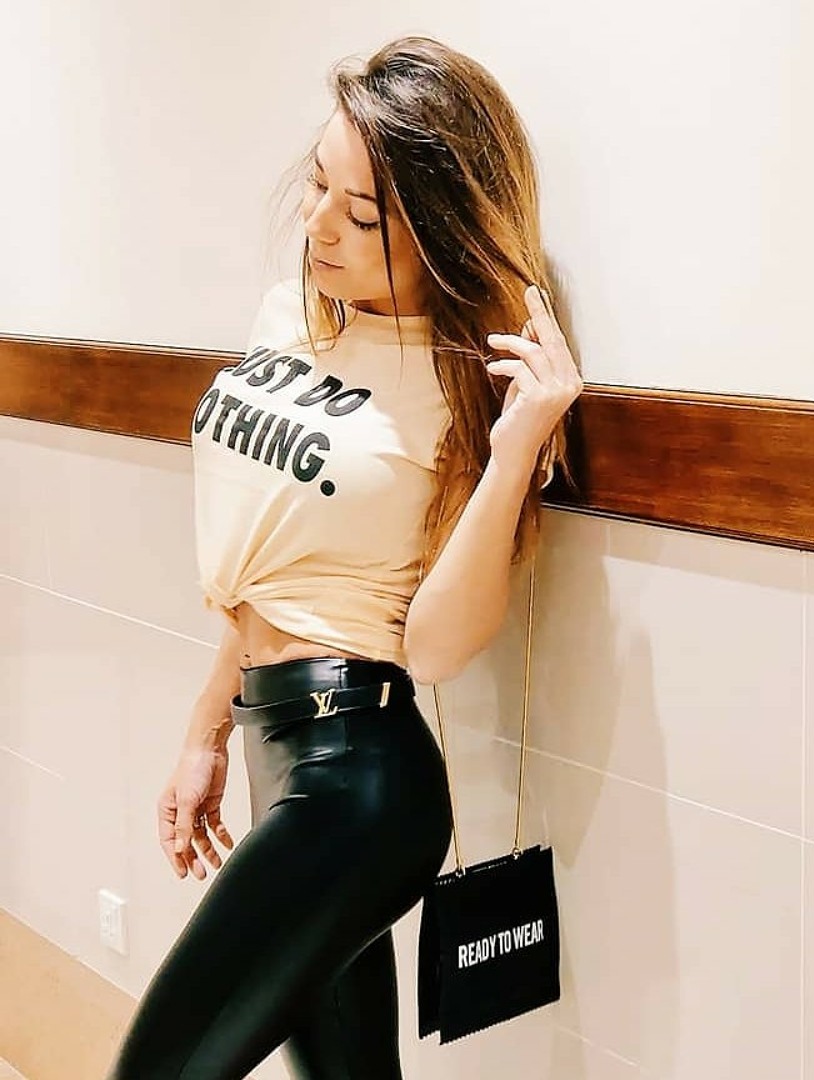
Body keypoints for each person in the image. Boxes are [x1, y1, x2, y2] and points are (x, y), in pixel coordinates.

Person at [106, 35, 581, 1080]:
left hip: (363, 777)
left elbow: (437, 647)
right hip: (274, 740)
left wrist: (512, 452)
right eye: (319, 184)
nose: (319, 224)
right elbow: (270, 567)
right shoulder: (291, 315)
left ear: (440, 231)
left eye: (362, 215)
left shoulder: (461, 384)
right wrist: (207, 731)